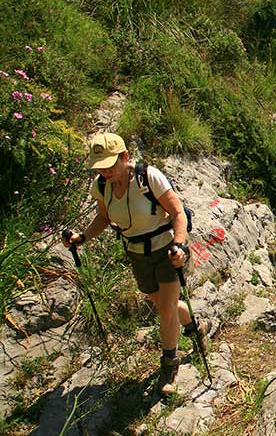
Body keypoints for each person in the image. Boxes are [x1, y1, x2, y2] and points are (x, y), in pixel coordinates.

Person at [61, 133, 208, 396]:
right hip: (137, 254)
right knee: (165, 305)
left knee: (165, 311)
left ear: (125, 157)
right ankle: (195, 327)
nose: (104, 171)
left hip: (166, 250)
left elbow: (177, 212)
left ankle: (169, 364)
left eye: (109, 164)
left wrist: (181, 245)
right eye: (100, 166)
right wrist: (81, 237)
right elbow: (103, 218)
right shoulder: (102, 186)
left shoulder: (148, 177)